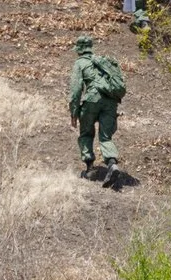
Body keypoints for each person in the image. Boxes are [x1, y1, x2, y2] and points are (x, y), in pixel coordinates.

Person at [67, 36, 126, 180]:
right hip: (110, 102)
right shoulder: (102, 62)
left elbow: (75, 90)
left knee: (86, 133)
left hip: (92, 100)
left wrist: (74, 112)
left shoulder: (80, 63)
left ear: (79, 50)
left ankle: (90, 169)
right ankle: (112, 165)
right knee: (106, 136)